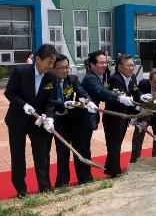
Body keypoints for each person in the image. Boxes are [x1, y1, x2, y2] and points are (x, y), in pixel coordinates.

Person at [5, 44, 57, 197]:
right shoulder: (21, 71)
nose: (51, 66)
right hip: (18, 120)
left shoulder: (51, 77)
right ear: (38, 59)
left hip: (38, 122)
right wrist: (23, 105)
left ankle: (44, 187)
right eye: (49, 62)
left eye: (53, 63)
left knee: (41, 155)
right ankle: (21, 190)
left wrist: (50, 117)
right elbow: (10, 93)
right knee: (18, 156)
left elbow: (51, 101)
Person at [80, 50, 136, 183]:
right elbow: (101, 91)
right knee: (83, 149)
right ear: (91, 65)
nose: (104, 65)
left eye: (106, 62)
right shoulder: (90, 78)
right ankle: (84, 179)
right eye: (101, 63)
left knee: (87, 148)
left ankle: (89, 176)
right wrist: (119, 98)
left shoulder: (101, 76)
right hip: (81, 118)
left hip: (90, 117)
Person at [50, 54, 98, 186]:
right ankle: (62, 183)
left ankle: (85, 179)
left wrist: (88, 102)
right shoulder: (48, 81)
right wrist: (62, 104)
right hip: (58, 121)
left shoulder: (72, 79)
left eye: (67, 67)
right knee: (63, 152)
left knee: (81, 149)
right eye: (61, 68)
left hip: (74, 120)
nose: (65, 70)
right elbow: (48, 100)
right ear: (53, 68)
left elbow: (82, 92)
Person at [102, 54, 138, 177]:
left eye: (133, 65)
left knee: (117, 144)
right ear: (120, 67)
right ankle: (114, 172)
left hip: (124, 117)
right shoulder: (114, 79)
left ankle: (110, 169)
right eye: (129, 65)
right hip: (113, 117)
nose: (132, 68)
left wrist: (139, 102)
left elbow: (135, 92)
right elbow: (119, 97)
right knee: (114, 145)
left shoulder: (133, 77)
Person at [130, 69, 156, 163]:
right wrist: (135, 114)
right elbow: (136, 96)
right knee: (138, 136)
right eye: (155, 82)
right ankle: (134, 162)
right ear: (150, 80)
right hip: (144, 115)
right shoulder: (143, 84)